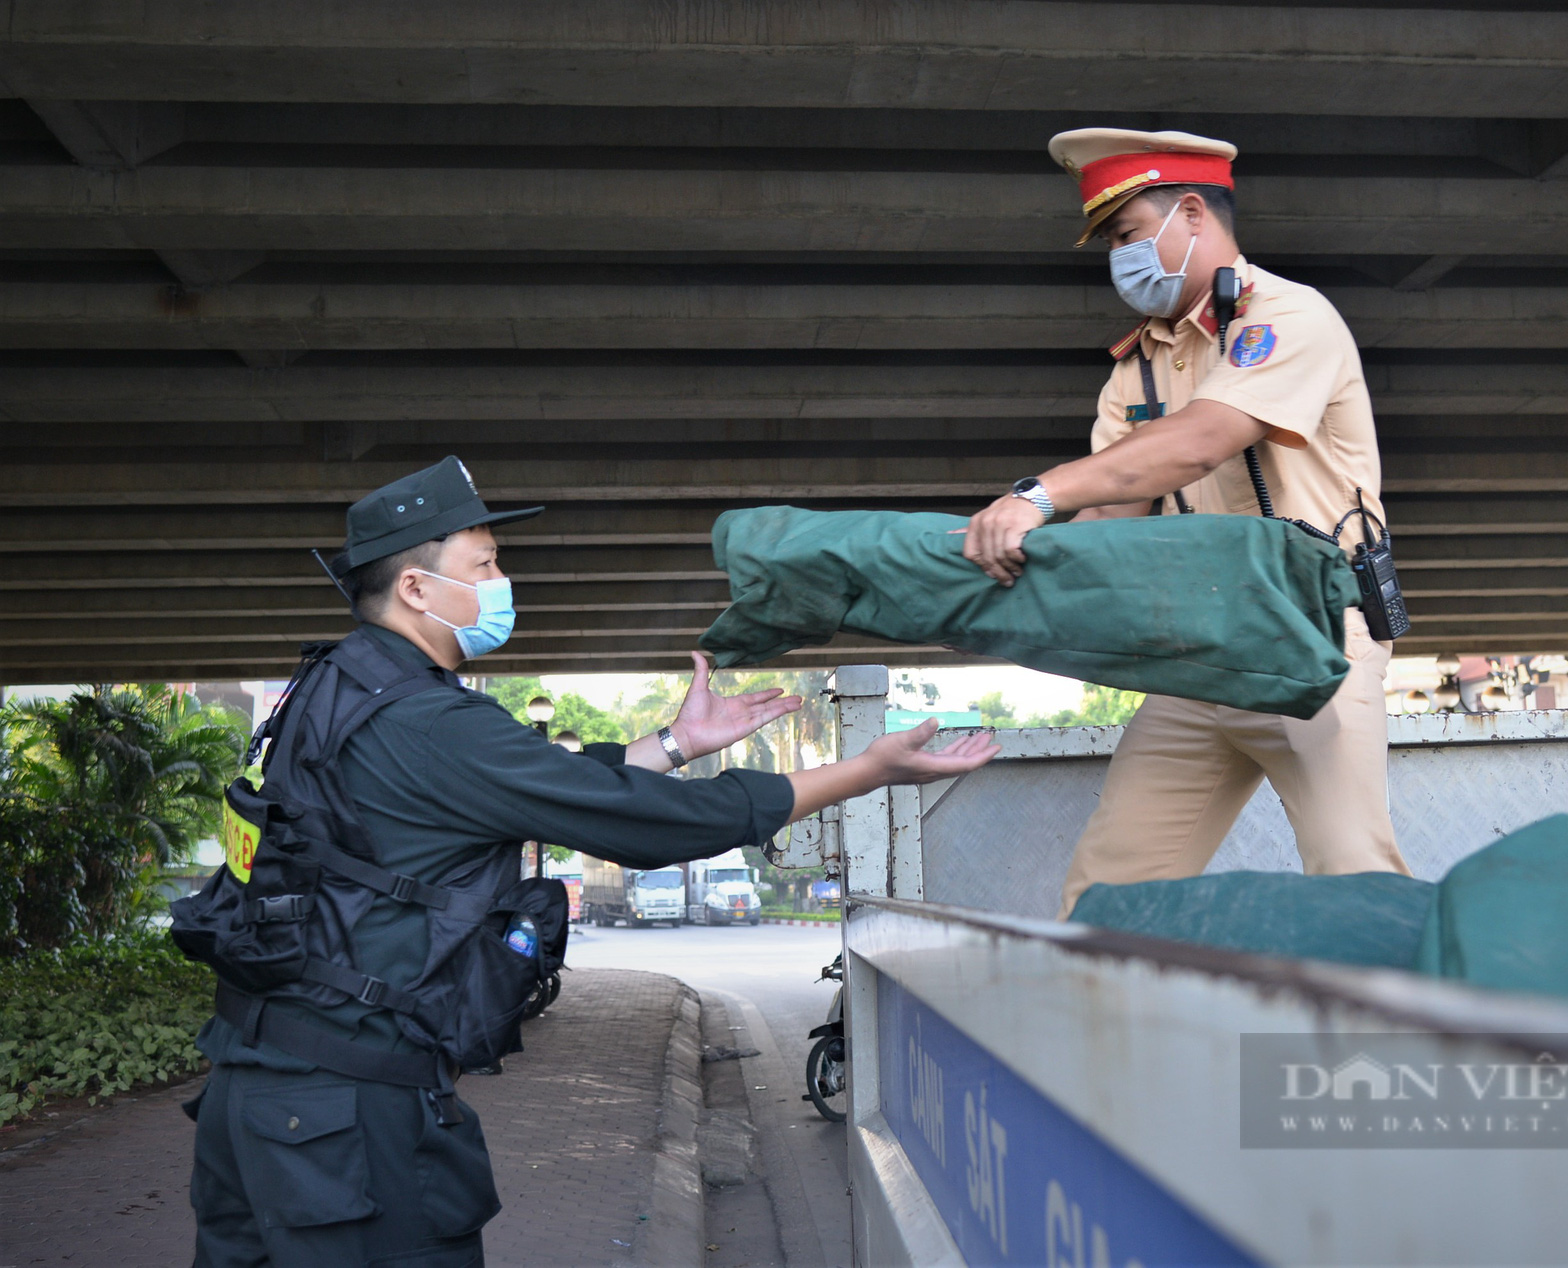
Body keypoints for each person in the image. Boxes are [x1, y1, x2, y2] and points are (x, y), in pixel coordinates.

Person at [185, 456, 997, 1266]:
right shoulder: (432, 724)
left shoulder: (331, 691)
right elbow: (644, 826)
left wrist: (676, 743)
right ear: (417, 590)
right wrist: (866, 770)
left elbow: (547, 788)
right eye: (485, 564)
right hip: (348, 1121)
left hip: (255, 1092)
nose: (503, 580)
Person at [960, 128, 1410, 917]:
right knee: (1106, 897)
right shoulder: (1136, 365)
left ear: (1192, 213)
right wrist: (1006, 570)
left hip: (1307, 639)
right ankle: (1103, 1036)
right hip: (1198, 655)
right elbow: (1111, 515)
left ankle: (1401, 1034)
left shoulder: (1289, 317)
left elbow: (1198, 440)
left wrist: (1035, 494)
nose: (1119, 262)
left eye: (1129, 236)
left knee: (1352, 876)